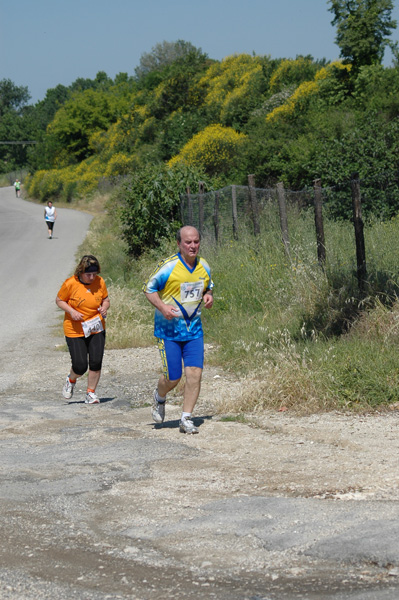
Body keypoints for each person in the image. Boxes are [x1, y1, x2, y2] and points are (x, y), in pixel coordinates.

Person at [143, 226, 214, 434]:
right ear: (179, 244)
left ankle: (186, 418)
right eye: (188, 242)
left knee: (194, 374)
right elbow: (148, 289)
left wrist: (208, 295)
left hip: (193, 331)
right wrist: (163, 307)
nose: (193, 246)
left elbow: (208, 286)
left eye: (196, 242)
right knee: (173, 377)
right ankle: (160, 396)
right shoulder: (169, 266)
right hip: (169, 332)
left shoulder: (204, 265)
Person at [56, 255, 110, 404]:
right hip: (75, 329)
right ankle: (71, 379)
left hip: (96, 327)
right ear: (81, 272)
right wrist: (72, 311)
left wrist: (104, 308)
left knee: (96, 362)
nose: (92, 277)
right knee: (80, 366)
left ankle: (90, 393)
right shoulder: (70, 283)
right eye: (88, 274)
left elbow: (106, 299)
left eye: (94, 274)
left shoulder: (100, 282)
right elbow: (59, 300)